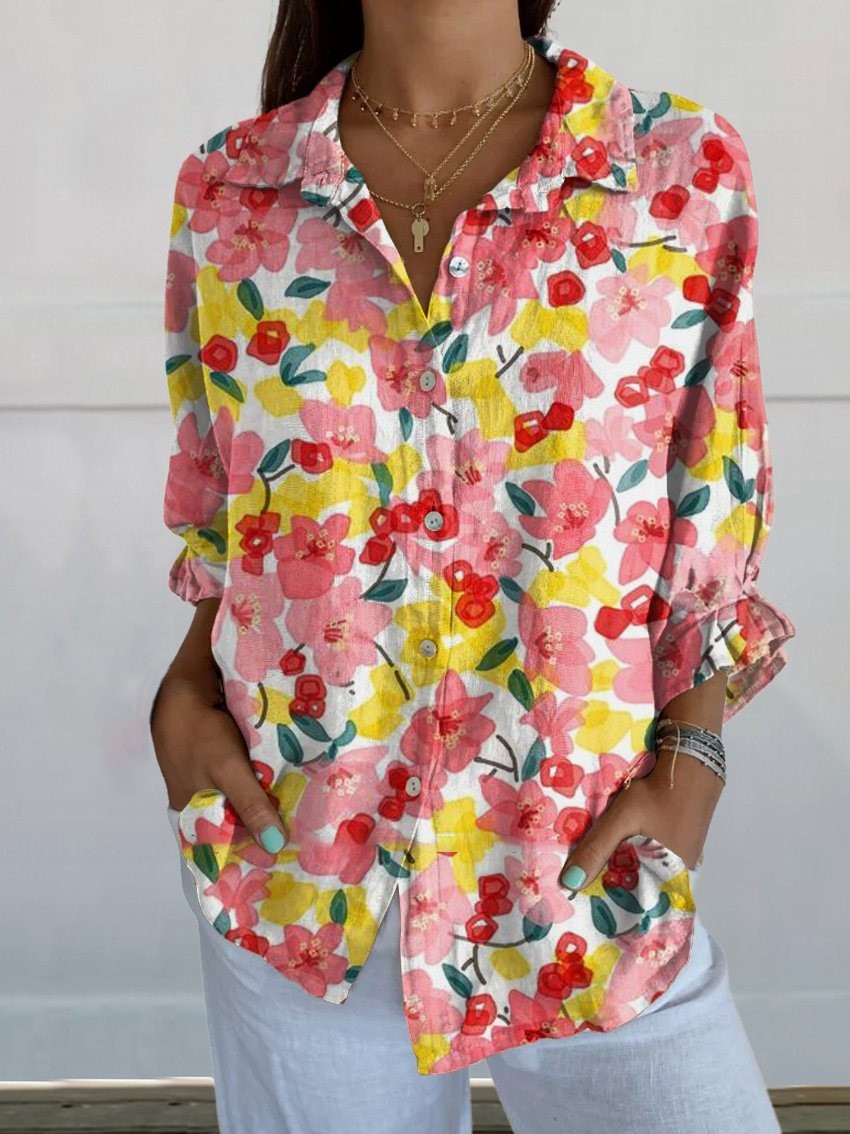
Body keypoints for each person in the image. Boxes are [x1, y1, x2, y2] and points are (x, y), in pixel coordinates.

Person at [150, 1, 796, 1130]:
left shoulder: (677, 168)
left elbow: (713, 497)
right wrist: (181, 697)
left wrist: (692, 759)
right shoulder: (233, 187)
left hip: (584, 884)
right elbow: (230, 517)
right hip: (302, 874)